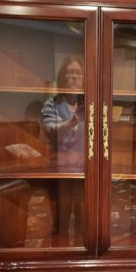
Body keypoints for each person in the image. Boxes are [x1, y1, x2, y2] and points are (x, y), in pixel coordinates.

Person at [41, 56, 85, 245]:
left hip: (85, 169)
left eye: (77, 73)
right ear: (62, 77)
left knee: (85, 218)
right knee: (62, 219)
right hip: (61, 170)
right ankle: (59, 256)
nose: (74, 77)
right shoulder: (51, 104)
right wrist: (72, 122)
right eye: (69, 73)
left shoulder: (89, 103)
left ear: (83, 77)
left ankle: (85, 262)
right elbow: (50, 131)